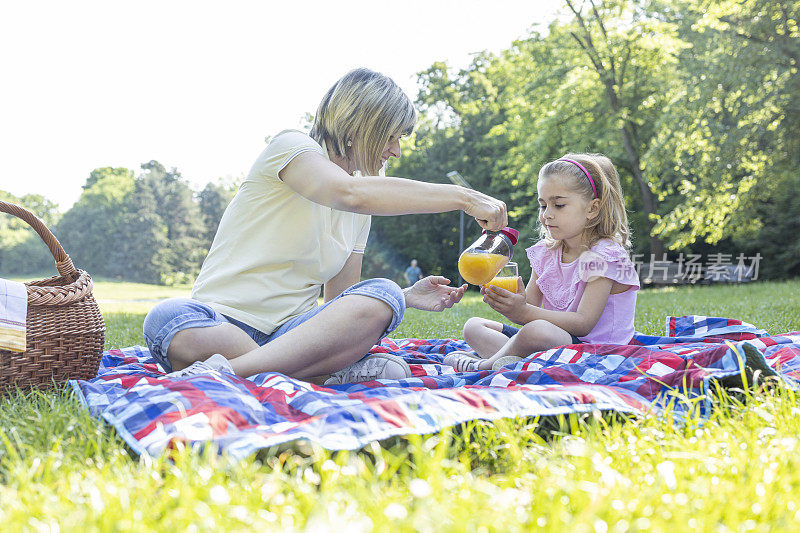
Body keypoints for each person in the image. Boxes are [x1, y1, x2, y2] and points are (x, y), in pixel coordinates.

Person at [142, 68, 507, 384]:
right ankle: (312, 372)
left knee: (383, 292)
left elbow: (338, 303)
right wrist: (464, 197)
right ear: (360, 127)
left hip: (293, 336)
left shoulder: (362, 206)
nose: (395, 150)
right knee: (168, 317)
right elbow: (346, 192)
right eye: (392, 136)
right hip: (217, 324)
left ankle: (234, 372)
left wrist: (404, 297)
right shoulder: (292, 148)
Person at [443, 154, 639, 372]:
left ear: (592, 209)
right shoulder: (547, 253)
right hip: (552, 342)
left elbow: (584, 323)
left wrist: (524, 312)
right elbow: (529, 307)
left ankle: (484, 364)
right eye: (543, 205)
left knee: (537, 331)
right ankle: (512, 360)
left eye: (559, 205)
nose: (547, 215)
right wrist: (508, 303)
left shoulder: (603, 255)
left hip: (596, 351)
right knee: (474, 326)